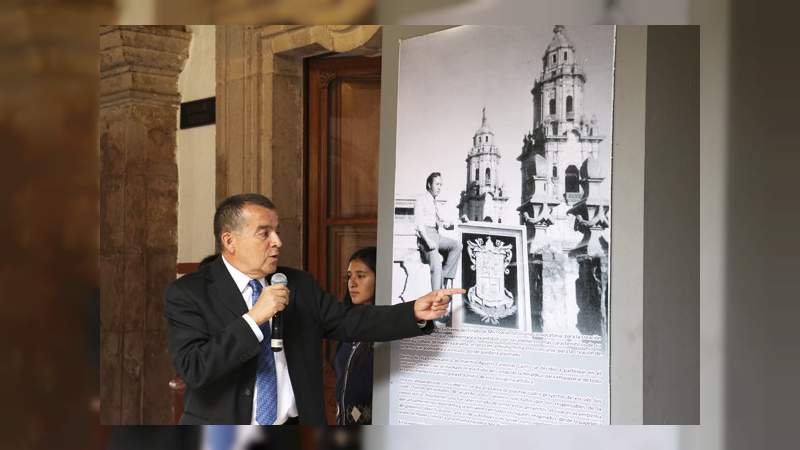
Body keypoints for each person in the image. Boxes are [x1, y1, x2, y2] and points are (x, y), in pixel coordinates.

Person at [164, 193, 462, 425]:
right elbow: (194, 368)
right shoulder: (189, 293)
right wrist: (254, 319)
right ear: (229, 240)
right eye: (264, 233)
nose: (277, 242)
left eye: (277, 231)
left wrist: (412, 312)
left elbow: (351, 321)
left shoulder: (299, 284)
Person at [334, 247, 377, 425]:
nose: (352, 283)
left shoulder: (386, 330)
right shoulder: (346, 325)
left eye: (360, 276)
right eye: (349, 276)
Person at [414, 172, 463, 291]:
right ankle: (436, 298)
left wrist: (456, 221)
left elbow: (444, 223)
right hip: (425, 237)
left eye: (441, 184)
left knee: (457, 245)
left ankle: (445, 276)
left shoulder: (435, 203)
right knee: (436, 264)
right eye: (437, 184)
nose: (439, 187)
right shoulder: (421, 199)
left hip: (436, 235)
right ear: (429, 184)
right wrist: (427, 241)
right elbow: (419, 225)